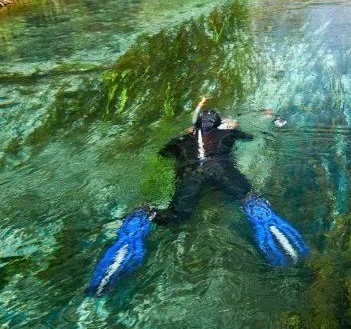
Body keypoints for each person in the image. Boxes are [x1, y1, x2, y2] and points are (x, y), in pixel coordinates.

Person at [87, 98, 308, 297]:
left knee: (177, 216)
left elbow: (162, 154)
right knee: (249, 198)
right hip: (220, 169)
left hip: (191, 173)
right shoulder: (227, 133)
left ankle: (143, 216)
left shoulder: (181, 140)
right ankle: (260, 214)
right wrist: (233, 128)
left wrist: (183, 135)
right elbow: (249, 138)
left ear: (195, 128)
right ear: (218, 125)